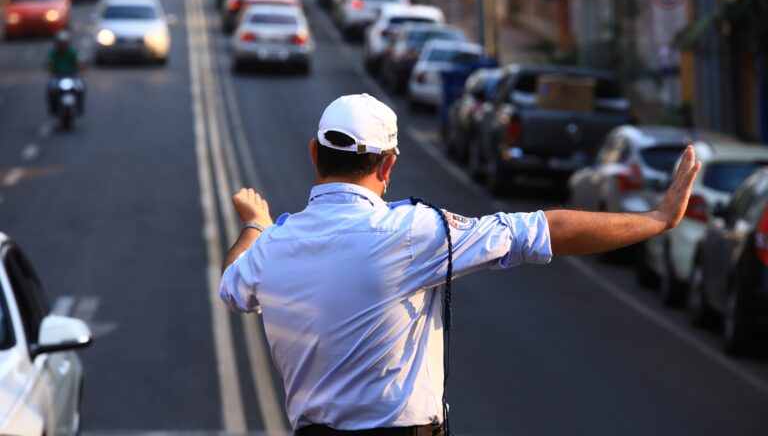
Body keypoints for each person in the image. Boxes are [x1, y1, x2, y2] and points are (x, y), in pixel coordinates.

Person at [219, 93, 700, 435]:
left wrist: (257, 224)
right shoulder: (411, 231)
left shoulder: (271, 246)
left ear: (313, 154)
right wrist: (656, 220)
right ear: (388, 167)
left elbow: (233, 284)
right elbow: (539, 231)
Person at [46, 30, 85, 115]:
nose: (62, 45)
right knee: (50, 89)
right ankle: (53, 108)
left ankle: (79, 107)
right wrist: (49, 68)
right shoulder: (54, 54)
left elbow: (79, 62)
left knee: (81, 88)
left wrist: (81, 67)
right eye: (61, 43)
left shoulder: (73, 52)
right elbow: (49, 63)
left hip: (73, 76)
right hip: (58, 77)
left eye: (64, 43)